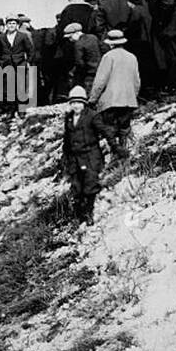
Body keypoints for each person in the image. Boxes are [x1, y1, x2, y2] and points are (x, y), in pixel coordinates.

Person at [87, 29, 140, 162]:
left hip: (111, 101)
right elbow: (137, 81)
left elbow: (100, 81)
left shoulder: (108, 57)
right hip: (128, 100)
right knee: (124, 130)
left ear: (110, 44)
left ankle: (114, 157)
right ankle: (124, 157)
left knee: (110, 130)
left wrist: (92, 99)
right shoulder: (132, 57)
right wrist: (133, 96)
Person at [61, 86, 103, 225]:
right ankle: (79, 216)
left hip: (90, 157)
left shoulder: (92, 116)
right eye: (73, 103)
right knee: (77, 188)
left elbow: (104, 131)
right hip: (74, 159)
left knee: (90, 186)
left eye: (78, 102)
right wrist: (65, 158)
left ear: (84, 103)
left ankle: (89, 213)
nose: (76, 105)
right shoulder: (68, 118)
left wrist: (115, 146)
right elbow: (67, 139)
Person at [63, 21, 102, 93]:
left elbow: (79, 62)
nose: (70, 40)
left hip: (88, 73)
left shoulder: (78, 44)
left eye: (70, 37)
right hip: (100, 70)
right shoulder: (93, 37)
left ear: (77, 33)